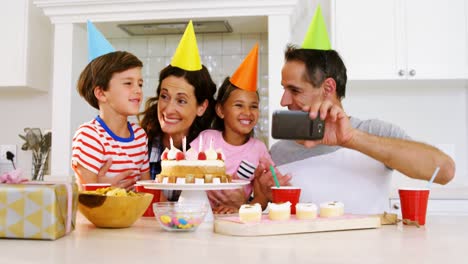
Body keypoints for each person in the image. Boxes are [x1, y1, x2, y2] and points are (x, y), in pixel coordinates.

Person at [252, 44, 455, 214]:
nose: (283, 100)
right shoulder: (278, 153)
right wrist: (261, 198)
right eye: (284, 89)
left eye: (294, 90)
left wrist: (350, 138)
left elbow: (444, 171)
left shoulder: (374, 131)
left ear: (328, 88)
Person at [190, 44, 272, 213]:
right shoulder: (207, 139)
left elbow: (263, 197)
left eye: (253, 106)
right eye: (239, 105)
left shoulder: (259, 149)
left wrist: (241, 208)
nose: (247, 113)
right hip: (201, 218)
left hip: (237, 221)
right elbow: (184, 173)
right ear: (220, 110)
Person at [71, 50, 151, 189]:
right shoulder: (90, 135)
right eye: (128, 83)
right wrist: (104, 190)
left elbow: (147, 189)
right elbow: (86, 196)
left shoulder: (139, 136)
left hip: (133, 211)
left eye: (140, 84)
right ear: (101, 93)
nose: (138, 90)